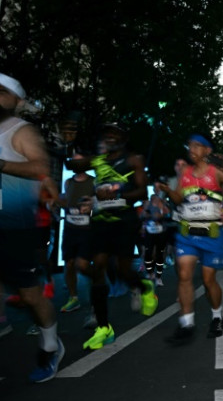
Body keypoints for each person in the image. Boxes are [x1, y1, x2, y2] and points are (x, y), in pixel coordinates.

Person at [0, 70, 64, 381]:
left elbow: (41, 167)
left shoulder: (21, 131)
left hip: (15, 227)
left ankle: (51, 345)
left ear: (16, 101)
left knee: (29, 296)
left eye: (1, 92)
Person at [65, 123, 157, 350]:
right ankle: (104, 328)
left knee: (123, 269)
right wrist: (68, 141)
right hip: (99, 222)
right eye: (106, 135)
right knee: (87, 266)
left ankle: (144, 287)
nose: (110, 138)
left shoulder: (134, 160)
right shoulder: (98, 160)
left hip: (123, 221)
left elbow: (141, 192)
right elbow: (73, 163)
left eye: (114, 135)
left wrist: (116, 193)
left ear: (123, 139)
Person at [159, 134, 223, 344]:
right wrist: (169, 190)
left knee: (208, 281)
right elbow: (178, 198)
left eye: (197, 146)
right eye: (190, 146)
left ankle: (217, 317)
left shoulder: (216, 173)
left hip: (211, 234)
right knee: (185, 275)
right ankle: (187, 323)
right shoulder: (185, 173)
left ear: (207, 151)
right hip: (188, 233)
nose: (191, 149)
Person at [57, 153, 95, 313]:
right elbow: (65, 200)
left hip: (87, 231)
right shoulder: (68, 182)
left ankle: (97, 296)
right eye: (74, 160)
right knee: (69, 264)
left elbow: (105, 203)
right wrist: (55, 202)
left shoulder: (94, 182)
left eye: (80, 160)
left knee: (84, 265)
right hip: (70, 230)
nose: (77, 163)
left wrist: (92, 206)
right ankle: (73, 298)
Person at [142, 193, 170, 286]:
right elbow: (143, 215)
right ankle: (150, 273)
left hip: (161, 233)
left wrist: (161, 215)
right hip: (149, 233)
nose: (155, 200)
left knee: (159, 255)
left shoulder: (162, 205)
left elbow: (168, 214)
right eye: (153, 199)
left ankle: (158, 277)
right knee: (148, 253)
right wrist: (150, 215)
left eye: (156, 199)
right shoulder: (147, 205)